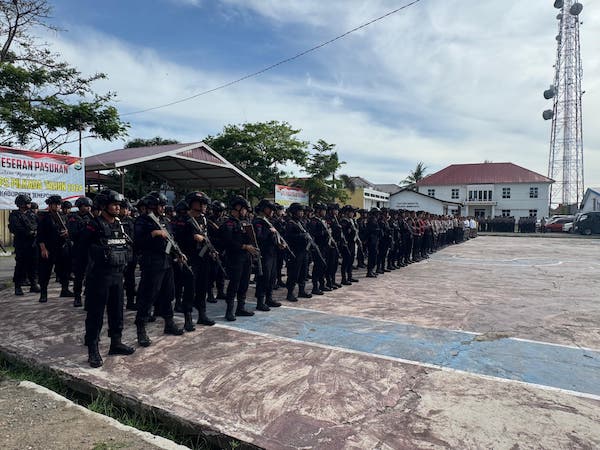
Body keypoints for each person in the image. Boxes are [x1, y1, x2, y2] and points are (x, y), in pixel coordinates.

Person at [82, 190, 135, 368]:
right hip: (99, 276)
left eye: (119, 205)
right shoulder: (94, 225)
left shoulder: (119, 225)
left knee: (117, 311)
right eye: (114, 204)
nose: (117, 207)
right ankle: (93, 348)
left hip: (117, 275)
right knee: (96, 314)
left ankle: (116, 342)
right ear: (104, 206)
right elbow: (82, 247)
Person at [134, 192, 184, 347]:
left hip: (166, 262)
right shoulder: (143, 221)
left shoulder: (164, 220)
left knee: (168, 293)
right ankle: (141, 329)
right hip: (152, 263)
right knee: (147, 296)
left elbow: (171, 239)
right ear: (153, 206)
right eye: (161, 205)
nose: (163, 208)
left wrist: (179, 253)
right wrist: (153, 233)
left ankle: (169, 323)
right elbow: (138, 242)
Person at [178, 191, 216, 329]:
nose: (205, 206)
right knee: (189, 288)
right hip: (190, 258)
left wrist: (212, 250)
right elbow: (178, 239)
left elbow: (208, 237)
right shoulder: (183, 220)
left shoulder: (204, 219)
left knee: (202, 287)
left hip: (203, 258)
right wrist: (192, 237)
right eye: (202, 203)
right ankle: (188, 317)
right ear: (193, 204)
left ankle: (202, 314)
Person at [219, 196, 258, 321]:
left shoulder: (244, 222)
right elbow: (227, 241)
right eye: (244, 209)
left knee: (244, 283)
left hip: (246, 257)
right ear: (238, 208)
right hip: (235, 257)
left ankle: (240, 307)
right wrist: (244, 246)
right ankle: (229, 310)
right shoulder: (228, 223)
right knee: (234, 284)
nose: (246, 212)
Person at [37, 195, 73, 302]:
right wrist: (43, 249)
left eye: (59, 204)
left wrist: (67, 233)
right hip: (49, 248)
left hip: (62, 247)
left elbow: (70, 231)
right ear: (50, 205)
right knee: (45, 272)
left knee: (65, 270)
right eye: (55, 204)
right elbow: (40, 235)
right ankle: (43, 294)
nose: (57, 206)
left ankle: (65, 290)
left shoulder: (64, 217)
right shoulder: (44, 218)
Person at [252, 199, 282, 311]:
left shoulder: (268, 221)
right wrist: (270, 232)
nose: (273, 212)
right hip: (264, 254)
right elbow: (259, 238)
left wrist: (278, 243)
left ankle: (269, 298)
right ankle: (260, 301)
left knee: (272, 277)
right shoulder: (258, 222)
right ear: (265, 209)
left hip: (272, 253)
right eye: (271, 209)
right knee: (264, 278)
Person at [9, 194, 40, 296]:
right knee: (21, 265)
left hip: (33, 243)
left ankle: (33, 284)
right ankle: (18, 286)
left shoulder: (32, 214)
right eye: (27, 203)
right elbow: (16, 228)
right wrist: (29, 232)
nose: (29, 204)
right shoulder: (14, 215)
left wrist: (36, 232)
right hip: (22, 244)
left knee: (34, 264)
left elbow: (38, 224)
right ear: (21, 204)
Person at [67, 197, 94, 307]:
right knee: (79, 275)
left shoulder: (92, 218)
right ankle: (77, 297)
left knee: (91, 274)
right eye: (86, 206)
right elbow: (74, 234)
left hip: (91, 250)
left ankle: (88, 297)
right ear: (80, 206)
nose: (88, 208)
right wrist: (87, 229)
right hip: (79, 249)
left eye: (89, 206)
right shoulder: (74, 218)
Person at [119, 199, 137, 311]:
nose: (125, 211)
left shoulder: (131, 221)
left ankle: (130, 302)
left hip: (130, 254)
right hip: (118, 255)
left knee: (130, 279)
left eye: (126, 208)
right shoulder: (114, 221)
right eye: (123, 208)